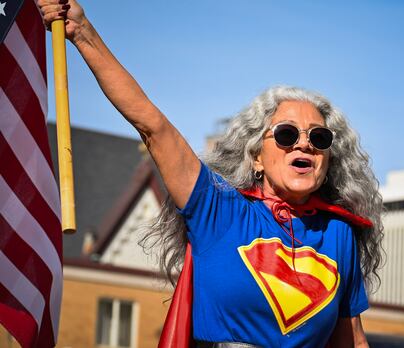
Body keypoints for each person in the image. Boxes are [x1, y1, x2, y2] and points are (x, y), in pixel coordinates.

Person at [39, 1, 383, 347]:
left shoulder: (339, 235)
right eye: (287, 134)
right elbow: (152, 126)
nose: (305, 145)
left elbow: (351, 339)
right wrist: (82, 32)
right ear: (256, 158)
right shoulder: (219, 210)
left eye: (319, 138)